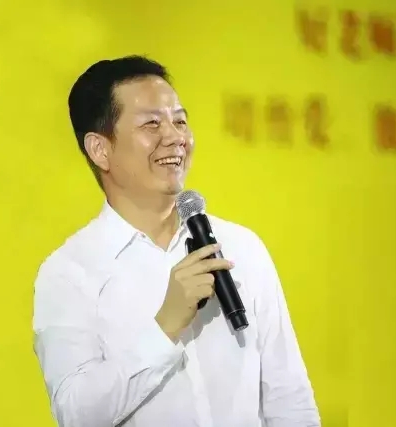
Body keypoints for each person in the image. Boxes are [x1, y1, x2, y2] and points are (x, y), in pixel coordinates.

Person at [32, 55, 321, 427]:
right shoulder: (69, 272)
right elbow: (76, 414)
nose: (175, 137)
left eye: (180, 121)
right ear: (100, 149)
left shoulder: (241, 247)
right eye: (152, 123)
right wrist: (165, 325)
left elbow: (290, 399)